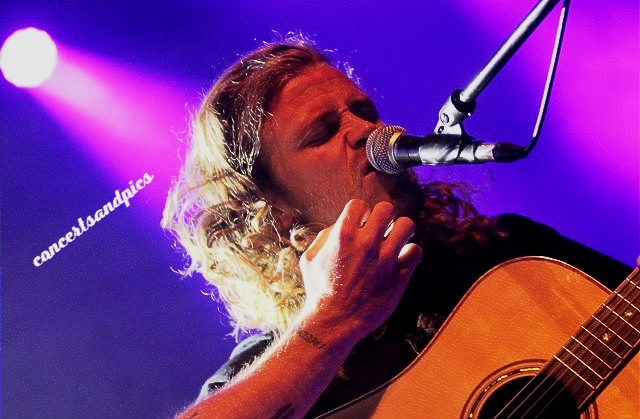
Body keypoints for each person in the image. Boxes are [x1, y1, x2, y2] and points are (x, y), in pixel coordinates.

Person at [162, 38, 632, 418]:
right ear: (273, 208)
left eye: (364, 112)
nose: (367, 131)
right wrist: (332, 319)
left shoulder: (510, 254)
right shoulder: (266, 374)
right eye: (323, 132)